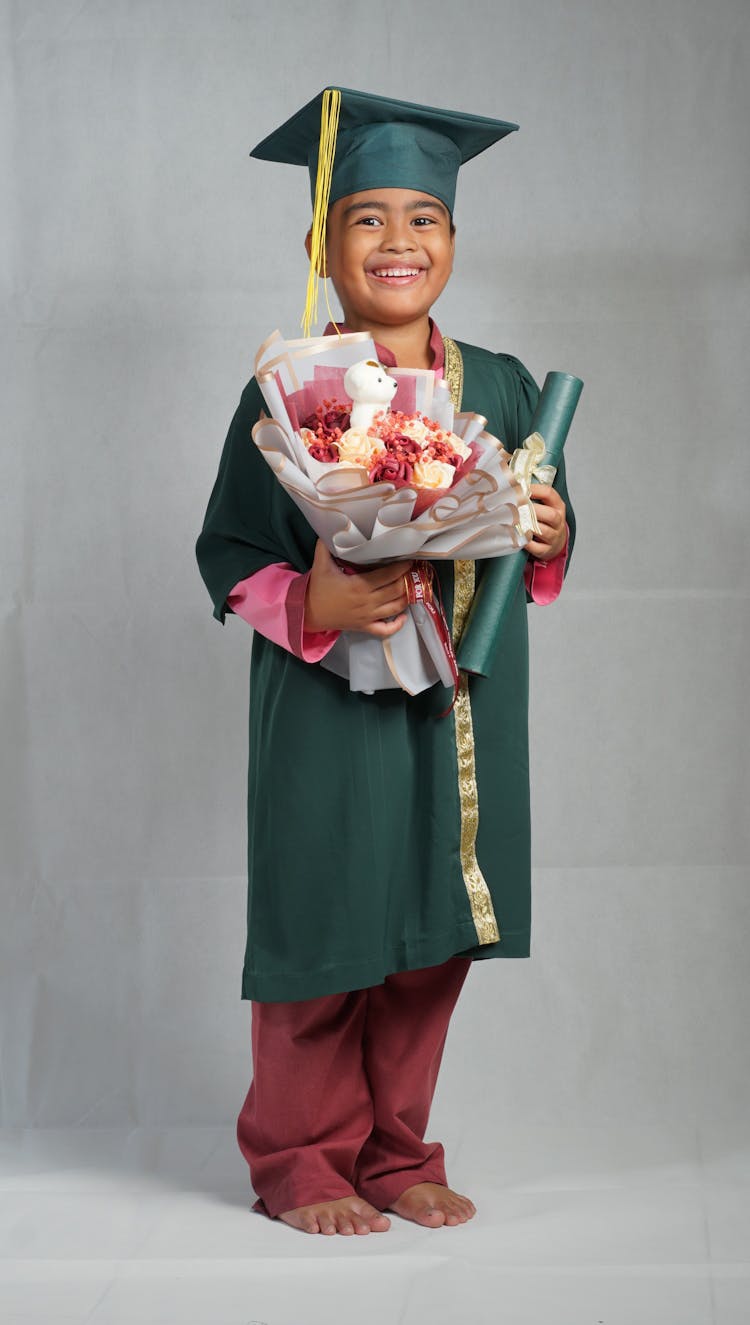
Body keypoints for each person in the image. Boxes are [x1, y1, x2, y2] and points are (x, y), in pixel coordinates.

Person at [196, 87, 575, 1236]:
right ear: (321, 242)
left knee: (427, 931)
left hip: (460, 701)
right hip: (327, 701)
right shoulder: (292, 392)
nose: (398, 240)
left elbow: (539, 535)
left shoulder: (504, 383)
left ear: (455, 240)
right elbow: (228, 549)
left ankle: (398, 1148)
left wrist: (549, 531)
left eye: (424, 218)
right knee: (327, 920)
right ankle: (304, 1155)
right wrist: (314, 594)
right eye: (365, 218)